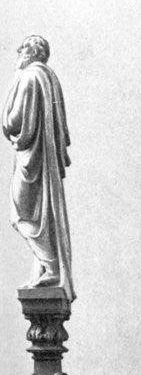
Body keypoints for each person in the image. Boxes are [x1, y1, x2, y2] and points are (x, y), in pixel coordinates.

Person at [2, 36, 74, 299]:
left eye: (21, 49)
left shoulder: (30, 77)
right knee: (40, 213)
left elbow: (15, 121)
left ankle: (51, 267)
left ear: (31, 52)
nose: (18, 53)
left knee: (22, 214)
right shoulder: (48, 77)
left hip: (31, 160)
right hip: (41, 160)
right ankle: (45, 268)